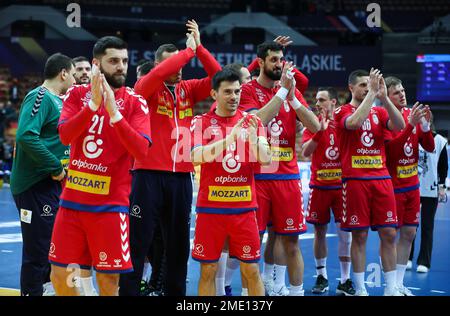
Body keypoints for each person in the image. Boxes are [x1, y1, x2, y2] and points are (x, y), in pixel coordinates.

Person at [119, 20, 221, 296]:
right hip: (147, 175)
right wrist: (184, 54)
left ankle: (174, 294)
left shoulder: (189, 89)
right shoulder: (145, 88)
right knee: (139, 242)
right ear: (159, 65)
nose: (177, 70)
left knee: (177, 244)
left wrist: (198, 49)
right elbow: (154, 78)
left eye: (180, 65)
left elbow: (219, 78)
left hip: (181, 179)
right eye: (171, 64)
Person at [48, 36, 151, 296]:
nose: (121, 67)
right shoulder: (76, 94)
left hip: (109, 208)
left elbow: (141, 150)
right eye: (113, 61)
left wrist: (114, 113)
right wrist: (93, 105)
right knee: (60, 277)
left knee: (108, 284)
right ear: (96, 64)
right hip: (71, 204)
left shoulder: (135, 102)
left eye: (125, 61)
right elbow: (65, 136)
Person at [239, 41, 320, 296]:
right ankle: (247, 295)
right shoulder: (248, 90)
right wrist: (283, 94)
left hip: (287, 176)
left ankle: (294, 292)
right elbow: (256, 120)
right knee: (251, 242)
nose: (279, 64)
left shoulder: (290, 90)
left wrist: (294, 99)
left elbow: (316, 126)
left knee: (291, 241)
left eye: (281, 59)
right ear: (260, 62)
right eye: (273, 59)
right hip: (257, 177)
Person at [190, 68, 271, 296]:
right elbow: (196, 156)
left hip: (243, 210)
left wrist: (254, 140)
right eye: (227, 92)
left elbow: (266, 159)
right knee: (208, 270)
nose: (234, 97)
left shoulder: (253, 122)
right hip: (210, 210)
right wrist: (229, 138)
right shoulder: (201, 122)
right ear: (214, 94)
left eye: (236, 91)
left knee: (252, 269)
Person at [334, 68, 405, 296]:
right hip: (355, 181)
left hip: (381, 179)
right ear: (351, 88)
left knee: (390, 233)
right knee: (360, 235)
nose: (367, 88)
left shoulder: (380, 112)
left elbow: (400, 125)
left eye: (370, 84)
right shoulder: (341, 111)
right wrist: (372, 95)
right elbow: (354, 123)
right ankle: (361, 288)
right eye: (363, 85)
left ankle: (392, 288)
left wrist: (383, 97)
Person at [10, 53, 75, 296]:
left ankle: (46, 290)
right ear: (63, 73)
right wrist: (56, 167)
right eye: (72, 74)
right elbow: (26, 135)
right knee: (37, 250)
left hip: (50, 185)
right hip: (34, 185)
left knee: (51, 245)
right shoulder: (39, 96)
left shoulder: (58, 101)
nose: (75, 81)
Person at [383, 76, 434, 295]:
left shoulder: (410, 114)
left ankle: (399, 284)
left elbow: (430, 147)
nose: (402, 94)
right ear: (387, 96)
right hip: (393, 187)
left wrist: (425, 126)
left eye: (403, 90)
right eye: (397, 92)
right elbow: (392, 152)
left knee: (409, 234)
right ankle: (390, 286)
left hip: (413, 186)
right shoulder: (384, 117)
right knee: (391, 236)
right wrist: (410, 126)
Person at [302, 87, 355, 296]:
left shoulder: (345, 121)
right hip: (320, 186)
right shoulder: (313, 122)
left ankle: (345, 279)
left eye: (322, 100)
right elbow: (306, 152)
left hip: (342, 187)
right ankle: (321, 276)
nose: (317, 103)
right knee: (319, 232)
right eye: (316, 99)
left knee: (345, 234)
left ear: (334, 102)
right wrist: (319, 132)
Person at [409, 114, 448, 273]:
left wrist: (442, 186)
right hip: (412, 187)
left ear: (430, 121)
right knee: (410, 226)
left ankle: (424, 261)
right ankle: (407, 258)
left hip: (430, 189)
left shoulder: (440, 141)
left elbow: (443, 165)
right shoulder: (411, 138)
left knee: (427, 226)